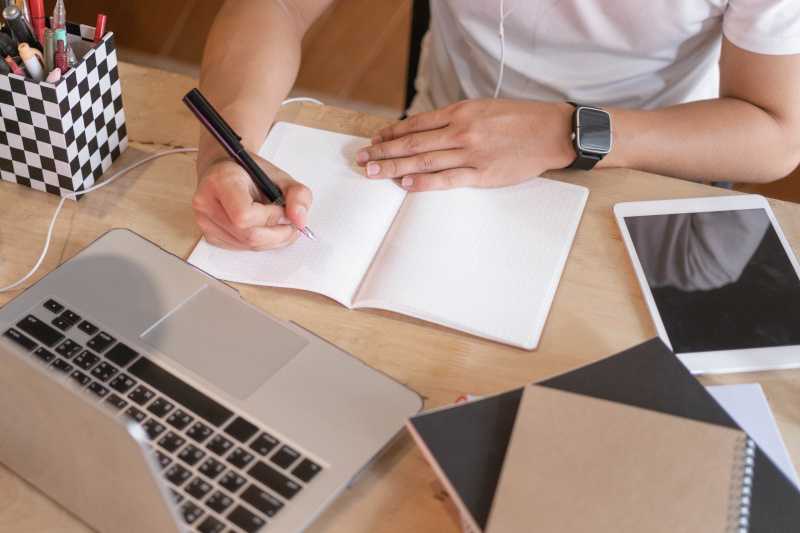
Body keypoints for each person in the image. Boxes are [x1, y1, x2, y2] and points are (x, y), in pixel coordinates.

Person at [192, 0, 800, 251]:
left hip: (646, 163)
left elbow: (775, 131)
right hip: (435, 148)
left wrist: (565, 132)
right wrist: (228, 147)